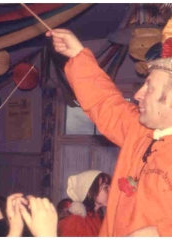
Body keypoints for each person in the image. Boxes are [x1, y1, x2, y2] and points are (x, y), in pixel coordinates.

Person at [46, 26, 172, 237]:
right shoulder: (139, 129)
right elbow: (105, 101)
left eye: (149, 86)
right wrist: (78, 54)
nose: (138, 94)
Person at [58, 170, 111, 236]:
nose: (111, 191)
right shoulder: (74, 220)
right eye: (106, 188)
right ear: (89, 191)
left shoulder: (99, 218)